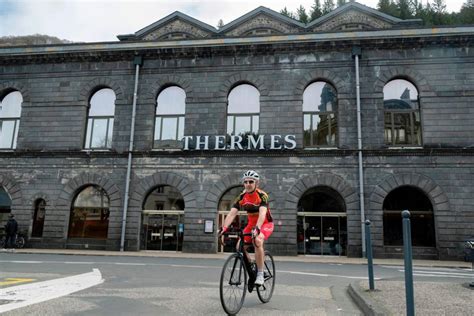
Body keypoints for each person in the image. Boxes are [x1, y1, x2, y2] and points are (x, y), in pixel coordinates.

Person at [219, 170, 274, 286]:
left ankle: (260, 273)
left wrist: (258, 228)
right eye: (246, 182)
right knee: (239, 245)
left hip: (265, 224)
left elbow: (263, 213)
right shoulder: (241, 197)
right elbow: (232, 213)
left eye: (251, 182)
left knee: (257, 241)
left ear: (256, 184)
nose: (248, 184)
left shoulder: (262, 195)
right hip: (251, 225)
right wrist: (224, 227)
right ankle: (251, 263)